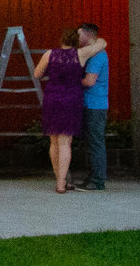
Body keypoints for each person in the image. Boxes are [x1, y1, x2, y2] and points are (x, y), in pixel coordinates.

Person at [34, 29, 89, 192]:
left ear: (62, 40)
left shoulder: (49, 54)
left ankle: (58, 179)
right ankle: (61, 183)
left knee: (54, 141)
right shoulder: (80, 54)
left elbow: (37, 73)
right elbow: (100, 45)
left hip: (52, 97)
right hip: (72, 98)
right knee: (66, 143)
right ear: (75, 41)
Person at [76, 22, 111, 191]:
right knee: (91, 142)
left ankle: (98, 180)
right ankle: (93, 176)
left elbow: (90, 81)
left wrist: (72, 82)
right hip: (92, 103)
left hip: (94, 104)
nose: (78, 38)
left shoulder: (98, 56)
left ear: (88, 35)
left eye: (80, 34)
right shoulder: (95, 53)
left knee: (95, 142)